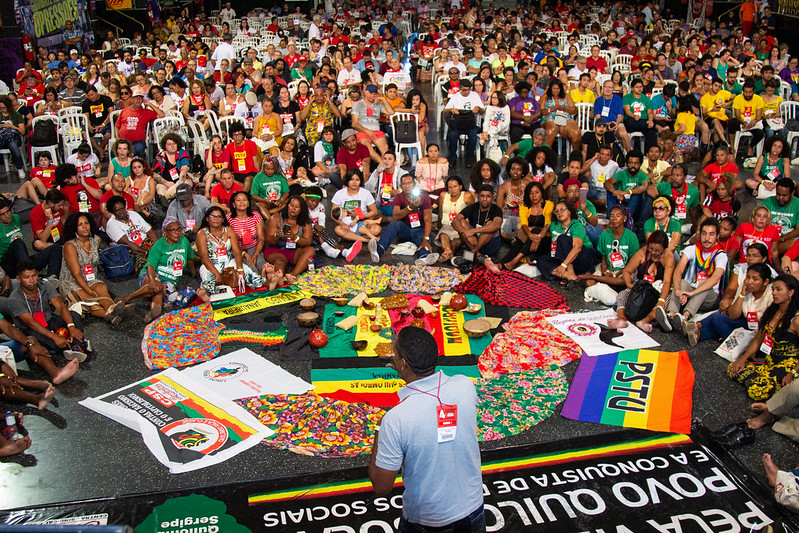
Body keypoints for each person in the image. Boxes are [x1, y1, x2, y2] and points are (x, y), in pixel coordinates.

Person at [369, 326, 484, 532]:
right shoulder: (465, 386)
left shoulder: (396, 419)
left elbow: (381, 487)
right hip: (475, 509)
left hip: (429, 522)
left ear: (402, 364)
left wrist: (379, 430)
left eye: (395, 354)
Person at [728, 274, 799, 401]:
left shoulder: (796, 319)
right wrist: (743, 359)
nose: (774, 293)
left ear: (791, 292)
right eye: (773, 289)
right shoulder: (772, 311)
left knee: (757, 391)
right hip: (769, 362)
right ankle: (770, 383)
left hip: (789, 366)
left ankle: (771, 384)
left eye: (778, 289)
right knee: (733, 368)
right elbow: (758, 339)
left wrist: (792, 374)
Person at [8, 259, 89, 361]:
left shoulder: (45, 286)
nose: (32, 280)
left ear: (38, 274)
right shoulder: (15, 299)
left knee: (74, 315)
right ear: (19, 279)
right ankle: (77, 344)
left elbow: (60, 306)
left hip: (48, 319)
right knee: (50, 341)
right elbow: (31, 323)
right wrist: (55, 337)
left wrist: (71, 326)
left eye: (34, 275)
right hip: (30, 329)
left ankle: (75, 346)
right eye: (26, 277)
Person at [657, 217, 728, 333]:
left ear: (717, 236)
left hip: (709, 297)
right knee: (682, 282)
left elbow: (715, 279)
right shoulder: (692, 249)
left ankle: (685, 316)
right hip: (688, 292)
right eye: (704, 234)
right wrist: (679, 290)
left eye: (711, 234)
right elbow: (678, 270)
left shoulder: (721, 255)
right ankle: (671, 315)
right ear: (699, 235)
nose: (707, 238)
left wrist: (692, 293)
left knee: (705, 284)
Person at [58, 212, 126, 324]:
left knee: (102, 288)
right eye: (80, 224)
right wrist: (88, 290)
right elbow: (76, 274)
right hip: (72, 282)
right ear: (75, 228)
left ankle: (112, 311)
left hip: (91, 277)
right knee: (90, 300)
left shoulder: (96, 240)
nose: (84, 226)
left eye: (86, 223)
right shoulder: (70, 246)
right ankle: (112, 314)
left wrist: (92, 287)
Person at [692, 258, 774, 346]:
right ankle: (697, 334)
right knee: (720, 317)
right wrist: (742, 294)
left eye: (755, 279)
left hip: (760, 330)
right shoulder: (745, 285)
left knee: (717, 318)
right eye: (748, 277)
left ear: (766, 282)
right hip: (745, 322)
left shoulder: (772, 293)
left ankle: (697, 328)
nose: (750, 282)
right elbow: (733, 315)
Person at [609, 230, 676, 332]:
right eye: (651, 249)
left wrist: (661, 300)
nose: (653, 252)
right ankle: (621, 318)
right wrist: (630, 285)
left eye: (658, 251)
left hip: (658, 288)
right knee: (622, 294)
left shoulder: (668, 257)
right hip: (641, 286)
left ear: (664, 249)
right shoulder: (642, 253)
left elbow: (667, 281)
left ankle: (644, 321)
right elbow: (627, 270)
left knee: (664, 301)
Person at [195, 206, 263, 295]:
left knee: (248, 272)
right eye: (213, 217)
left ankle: (268, 283)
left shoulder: (228, 230)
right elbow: (204, 258)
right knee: (209, 280)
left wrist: (240, 269)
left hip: (228, 261)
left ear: (223, 219)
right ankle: (205, 295)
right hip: (211, 264)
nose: (216, 219)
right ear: (207, 219)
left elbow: (236, 251)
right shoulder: (202, 233)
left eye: (219, 217)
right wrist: (217, 274)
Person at [577, 206, 640, 301]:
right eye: (612, 216)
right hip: (609, 269)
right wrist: (604, 272)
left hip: (625, 270)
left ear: (625, 218)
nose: (614, 218)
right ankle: (611, 288)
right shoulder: (604, 235)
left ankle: (602, 285)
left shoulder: (631, 237)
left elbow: (632, 264)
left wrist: (616, 274)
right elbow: (604, 258)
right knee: (589, 282)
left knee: (623, 281)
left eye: (618, 215)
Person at [374, 175, 439, 266]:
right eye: (404, 184)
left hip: (420, 229)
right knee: (394, 224)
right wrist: (410, 207)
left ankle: (424, 258)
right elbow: (396, 216)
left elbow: (428, 220)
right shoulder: (399, 197)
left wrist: (426, 239)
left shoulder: (424, 196)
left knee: (424, 241)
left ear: (414, 184)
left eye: (409, 183)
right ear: (401, 186)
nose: (407, 185)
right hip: (406, 230)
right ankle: (378, 251)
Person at [536, 200, 599, 285]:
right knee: (541, 260)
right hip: (564, 259)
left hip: (583, 257)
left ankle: (569, 270)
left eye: (562, 209)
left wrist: (564, 265)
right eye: (557, 211)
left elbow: (577, 248)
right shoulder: (555, 225)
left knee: (562, 239)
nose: (559, 213)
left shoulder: (577, 225)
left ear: (569, 211)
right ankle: (568, 276)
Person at [0, 197, 61, 280]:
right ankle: (30, 275)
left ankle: (52, 281)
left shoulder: (16, 218)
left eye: (8, 211)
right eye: (2, 214)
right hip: (8, 264)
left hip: (24, 262)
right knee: (18, 242)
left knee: (55, 248)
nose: (7, 215)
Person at [262, 196, 315, 288]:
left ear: (301, 209)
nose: (293, 209)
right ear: (287, 206)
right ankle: (278, 277)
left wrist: (295, 237)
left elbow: (307, 242)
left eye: (297, 207)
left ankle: (292, 275)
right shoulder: (277, 217)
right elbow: (269, 241)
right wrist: (276, 236)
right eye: (291, 205)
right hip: (276, 250)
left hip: (294, 251)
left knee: (310, 250)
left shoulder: (305, 221)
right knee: (280, 262)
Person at [331, 170, 382, 260]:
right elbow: (333, 214)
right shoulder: (339, 194)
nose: (354, 182)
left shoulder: (365, 193)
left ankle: (350, 237)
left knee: (377, 229)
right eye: (352, 179)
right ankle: (368, 240)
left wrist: (361, 216)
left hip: (361, 221)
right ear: (347, 181)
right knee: (337, 229)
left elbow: (374, 212)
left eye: (357, 180)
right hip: (347, 225)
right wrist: (343, 224)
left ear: (360, 181)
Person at [451, 185, 502, 265]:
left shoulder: (496, 209)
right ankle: (479, 256)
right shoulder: (473, 207)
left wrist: (472, 231)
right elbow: (455, 221)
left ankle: (472, 254)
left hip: (490, 245)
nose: (485, 199)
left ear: (493, 198)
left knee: (490, 225)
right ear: (478, 197)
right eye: (482, 196)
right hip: (473, 241)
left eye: (488, 196)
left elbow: (496, 225)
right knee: (462, 222)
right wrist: (464, 232)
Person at [104, 195, 156, 271]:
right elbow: (127, 243)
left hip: (145, 242)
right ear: (112, 212)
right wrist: (146, 252)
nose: (121, 211)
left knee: (162, 251)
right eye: (117, 210)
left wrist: (158, 246)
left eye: (122, 208)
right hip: (131, 250)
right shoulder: (112, 224)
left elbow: (149, 231)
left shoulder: (133, 214)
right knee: (146, 264)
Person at [443, 78, 483, 167]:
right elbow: (445, 111)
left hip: (471, 123)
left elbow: (482, 110)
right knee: (452, 135)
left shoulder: (474, 95)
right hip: (458, 124)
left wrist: (478, 109)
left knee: (473, 135)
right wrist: (452, 109)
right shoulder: (456, 96)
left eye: (469, 90)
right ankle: (452, 158)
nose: (467, 92)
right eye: (465, 90)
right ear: (460, 88)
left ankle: (470, 158)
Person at [604, 150, 649, 228]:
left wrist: (626, 192)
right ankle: (611, 218)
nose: (633, 166)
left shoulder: (643, 175)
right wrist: (615, 192)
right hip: (621, 201)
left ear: (640, 164)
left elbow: (644, 187)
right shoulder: (622, 173)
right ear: (627, 163)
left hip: (635, 207)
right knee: (611, 189)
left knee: (636, 194)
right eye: (630, 163)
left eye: (636, 163)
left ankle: (626, 219)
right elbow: (607, 183)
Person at [115, 89, 164, 158]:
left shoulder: (146, 112)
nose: (138, 100)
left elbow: (162, 115)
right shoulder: (124, 111)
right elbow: (117, 126)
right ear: (131, 99)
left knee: (140, 149)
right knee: (113, 152)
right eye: (136, 98)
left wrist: (149, 104)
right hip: (123, 141)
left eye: (140, 98)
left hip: (137, 142)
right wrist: (117, 138)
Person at [152, 133, 192, 203]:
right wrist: (166, 183)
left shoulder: (182, 153)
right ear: (165, 146)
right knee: (160, 188)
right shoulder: (160, 156)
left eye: (174, 144)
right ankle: (164, 203)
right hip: (166, 182)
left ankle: (167, 198)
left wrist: (178, 183)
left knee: (184, 185)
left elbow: (184, 169)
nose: (172, 146)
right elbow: (154, 174)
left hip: (181, 180)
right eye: (169, 144)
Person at [730, 80, 765, 160]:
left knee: (760, 134)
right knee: (732, 123)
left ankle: (751, 146)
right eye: (745, 92)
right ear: (743, 91)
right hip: (741, 120)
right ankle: (732, 147)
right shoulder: (738, 98)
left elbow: (759, 115)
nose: (747, 94)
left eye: (750, 92)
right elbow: (737, 115)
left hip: (753, 121)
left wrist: (754, 121)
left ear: (753, 91)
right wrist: (743, 122)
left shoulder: (758, 99)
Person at [622, 78, 657, 149]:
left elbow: (650, 112)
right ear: (632, 88)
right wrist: (634, 115)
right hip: (632, 120)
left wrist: (650, 120)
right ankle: (654, 125)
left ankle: (650, 153)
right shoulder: (626, 97)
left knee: (651, 131)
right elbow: (627, 110)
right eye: (637, 87)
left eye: (641, 87)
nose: (639, 89)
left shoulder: (647, 99)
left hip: (644, 121)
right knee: (631, 122)